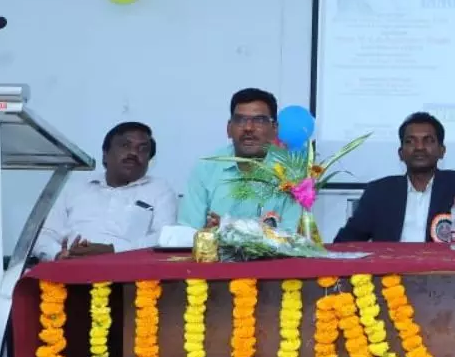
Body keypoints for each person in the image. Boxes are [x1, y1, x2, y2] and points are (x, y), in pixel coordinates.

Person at [334, 113, 455, 243]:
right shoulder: (378, 191)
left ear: (442, 151)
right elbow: (346, 241)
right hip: (391, 267)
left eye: (428, 140)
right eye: (410, 141)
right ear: (400, 153)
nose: (419, 147)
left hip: (443, 267)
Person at [35, 122, 178, 260]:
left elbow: (165, 238)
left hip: (127, 271)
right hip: (67, 267)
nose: (133, 153)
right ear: (105, 154)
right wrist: (58, 254)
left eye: (142, 149)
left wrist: (112, 250)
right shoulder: (74, 187)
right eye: (125, 145)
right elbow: (44, 234)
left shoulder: (159, 189)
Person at [179, 88, 302, 231]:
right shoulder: (206, 168)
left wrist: (227, 228)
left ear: (274, 129)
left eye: (259, 120)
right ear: (229, 128)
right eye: (240, 120)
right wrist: (205, 234)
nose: (248, 128)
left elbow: (292, 236)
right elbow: (187, 231)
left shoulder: (291, 174)